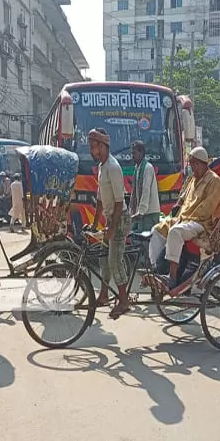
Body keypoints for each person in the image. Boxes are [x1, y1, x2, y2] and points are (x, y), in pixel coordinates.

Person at [149, 146, 220, 288]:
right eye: (191, 165)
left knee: (175, 231)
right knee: (157, 230)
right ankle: (156, 269)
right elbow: (183, 198)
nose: (192, 168)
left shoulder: (215, 181)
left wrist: (185, 217)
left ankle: (171, 276)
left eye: (194, 165)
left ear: (202, 164)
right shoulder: (192, 179)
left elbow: (207, 209)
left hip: (201, 223)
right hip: (184, 219)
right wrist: (177, 208)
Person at [88, 128, 132, 319]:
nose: (91, 150)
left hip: (119, 219)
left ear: (103, 146)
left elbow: (119, 200)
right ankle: (104, 294)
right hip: (110, 218)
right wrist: (95, 224)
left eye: (94, 147)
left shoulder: (113, 167)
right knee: (103, 259)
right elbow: (99, 199)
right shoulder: (101, 168)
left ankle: (123, 301)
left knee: (114, 261)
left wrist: (112, 227)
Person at [129, 140, 160, 233]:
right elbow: (135, 192)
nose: (132, 156)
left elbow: (146, 191)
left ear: (141, 153)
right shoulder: (137, 168)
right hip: (141, 213)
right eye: (132, 153)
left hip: (149, 213)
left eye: (134, 153)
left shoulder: (147, 168)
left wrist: (140, 212)